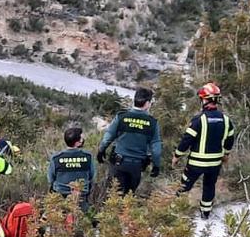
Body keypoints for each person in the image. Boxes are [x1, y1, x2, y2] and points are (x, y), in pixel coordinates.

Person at [173, 83, 236, 219]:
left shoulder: (198, 119)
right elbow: (230, 140)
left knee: (184, 185)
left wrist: (177, 155)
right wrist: (226, 154)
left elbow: (187, 140)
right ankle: (205, 214)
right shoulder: (226, 120)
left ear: (204, 100)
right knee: (209, 187)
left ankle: (175, 209)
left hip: (196, 163)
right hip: (214, 164)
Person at [96, 87, 162, 196]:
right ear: (147, 103)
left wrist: (101, 150)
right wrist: (156, 165)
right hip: (136, 166)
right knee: (128, 198)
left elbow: (108, 137)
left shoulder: (121, 117)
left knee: (114, 196)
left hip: (118, 163)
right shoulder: (152, 123)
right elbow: (156, 149)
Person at [48, 127, 96, 211]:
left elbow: (51, 179)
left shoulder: (56, 158)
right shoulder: (87, 156)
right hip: (81, 195)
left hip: (60, 195)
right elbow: (92, 176)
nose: (83, 140)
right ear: (77, 143)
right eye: (81, 138)